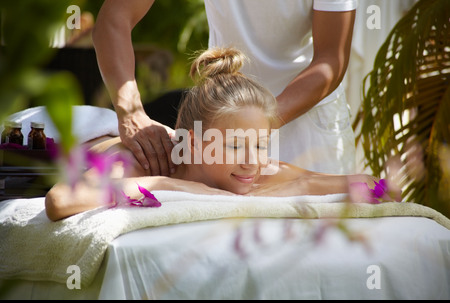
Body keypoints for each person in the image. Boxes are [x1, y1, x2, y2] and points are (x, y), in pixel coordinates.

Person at [45, 48, 387, 221]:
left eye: (261, 144)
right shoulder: (145, 161)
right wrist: (175, 186)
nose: (253, 162)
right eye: (236, 145)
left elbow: (367, 184)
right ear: (194, 142)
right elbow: (60, 201)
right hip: (52, 133)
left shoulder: (256, 169)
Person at [92, 0, 358, 177]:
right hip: (223, 125)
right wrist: (130, 113)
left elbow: (331, 59)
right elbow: (115, 19)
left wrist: (255, 127)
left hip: (308, 124)